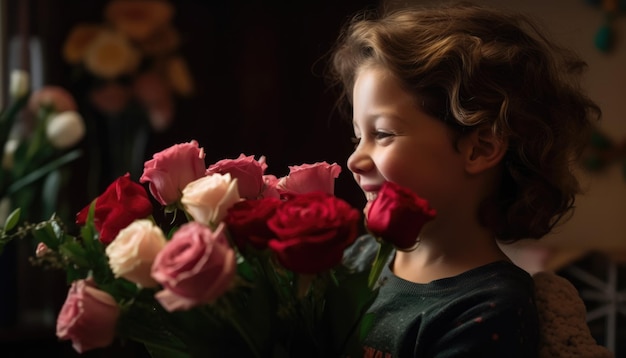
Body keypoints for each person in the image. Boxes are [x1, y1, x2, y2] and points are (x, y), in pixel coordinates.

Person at [327, 1, 601, 357]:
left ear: (480, 149)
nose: (354, 160)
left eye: (383, 134)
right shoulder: (358, 258)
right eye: (356, 137)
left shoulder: (488, 310)